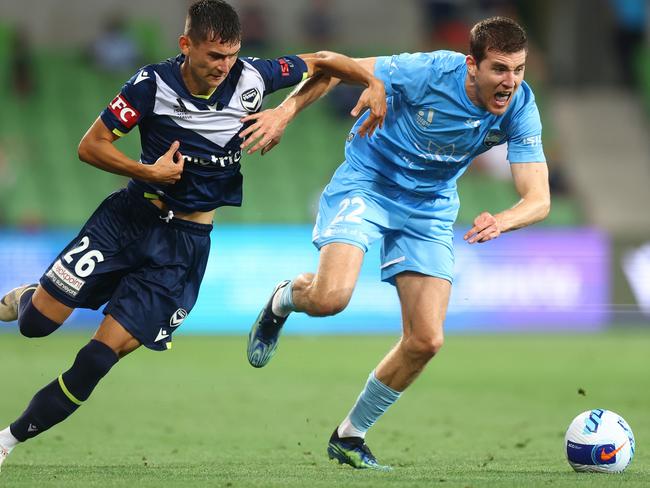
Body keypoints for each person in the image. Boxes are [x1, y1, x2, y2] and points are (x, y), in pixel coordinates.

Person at [0, 0, 386, 472]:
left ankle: (6, 441)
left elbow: (325, 62)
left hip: (182, 248)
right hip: (127, 222)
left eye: (231, 56)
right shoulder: (150, 85)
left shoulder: (253, 77)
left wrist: (317, 100)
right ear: (186, 46)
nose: (225, 68)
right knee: (37, 326)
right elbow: (91, 145)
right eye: (213, 57)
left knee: (97, 361)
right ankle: (29, 298)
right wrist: (148, 171)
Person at [243, 16, 550, 470]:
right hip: (368, 183)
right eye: (500, 69)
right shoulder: (429, 71)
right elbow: (331, 68)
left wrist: (503, 219)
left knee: (426, 340)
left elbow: (539, 199)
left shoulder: (521, 106)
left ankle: (350, 436)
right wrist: (283, 112)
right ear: (472, 65)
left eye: (519, 69)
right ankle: (283, 300)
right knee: (329, 299)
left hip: (430, 206)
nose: (510, 82)